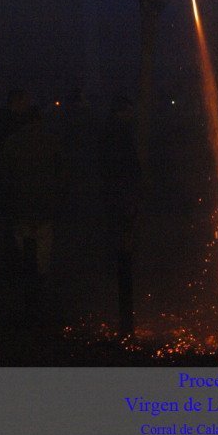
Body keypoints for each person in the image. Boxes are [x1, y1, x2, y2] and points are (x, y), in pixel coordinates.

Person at [2, 105, 63, 322]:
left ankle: (28, 295)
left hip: (20, 204)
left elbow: (5, 174)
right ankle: (40, 291)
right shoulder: (51, 141)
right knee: (43, 248)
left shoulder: (12, 142)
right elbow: (60, 171)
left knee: (24, 245)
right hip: (45, 204)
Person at [99, 95, 141, 337]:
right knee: (123, 242)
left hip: (117, 194)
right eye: (129, 110)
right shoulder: (120, 134)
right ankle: (125, 319)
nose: (132, 115)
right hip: (122, 195)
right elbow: (126, 166)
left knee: (121, 242)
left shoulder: (110, 132)